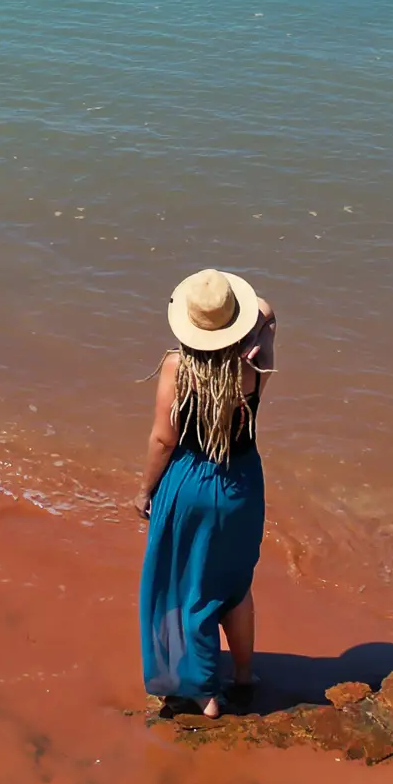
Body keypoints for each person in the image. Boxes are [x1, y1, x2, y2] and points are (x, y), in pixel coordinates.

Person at [135, 267, 276, 717]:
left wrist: (144, 491)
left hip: (190, 484)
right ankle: (243, 676)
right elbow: (269, 315)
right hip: (240, 485)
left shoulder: (178, 367)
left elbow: (163, 440)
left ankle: (202, 692)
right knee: (234, 587)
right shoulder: (256, 366)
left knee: (187, 587)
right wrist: (258, 326)